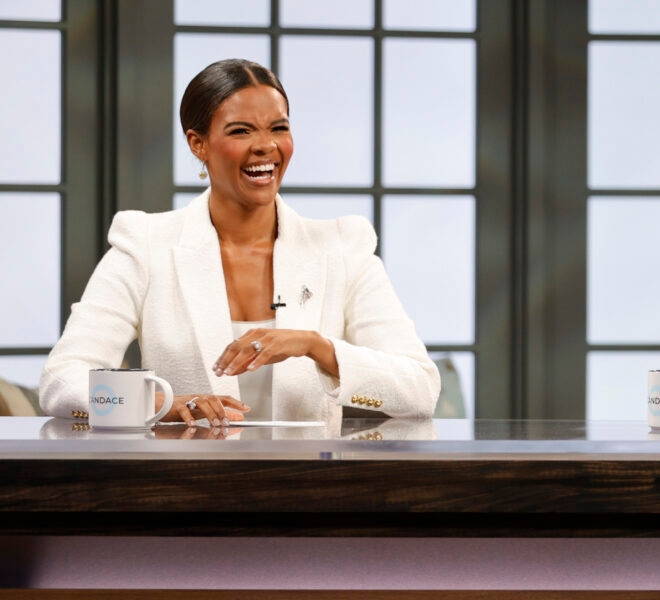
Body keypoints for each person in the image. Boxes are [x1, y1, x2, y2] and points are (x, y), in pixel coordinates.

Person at [40, 58, 440, 427]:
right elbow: (61, 381)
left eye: (278, 128)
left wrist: (315, 346)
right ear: (198, 143)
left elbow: (420, 390)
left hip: (309, 492)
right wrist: (158, 403)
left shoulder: (342, 248)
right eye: (241, 131)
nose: (265, 145)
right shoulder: (145, 246)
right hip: (181, 493)